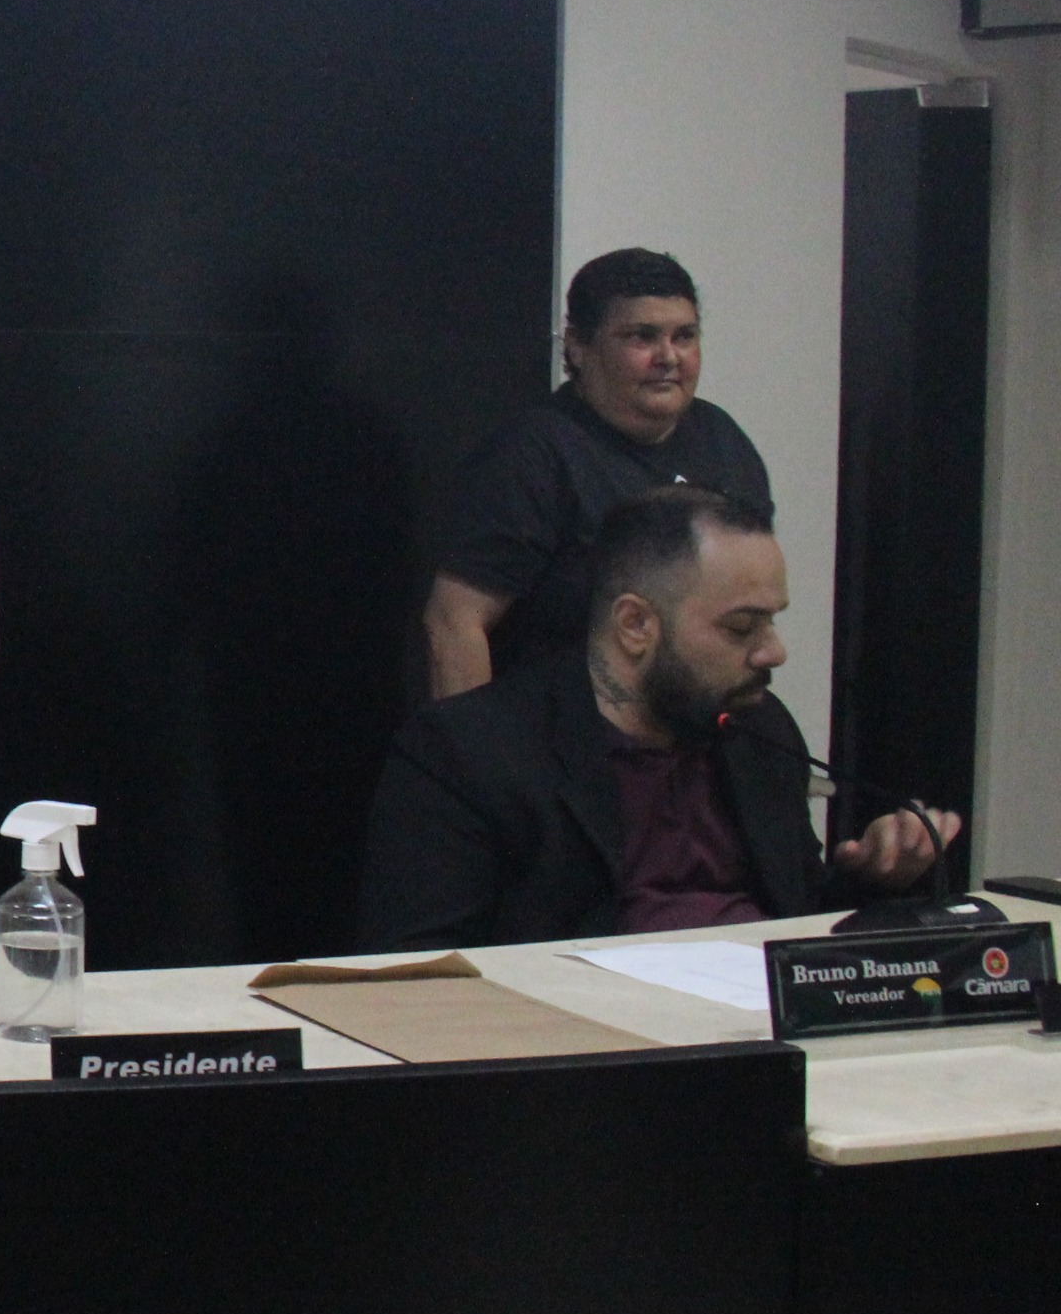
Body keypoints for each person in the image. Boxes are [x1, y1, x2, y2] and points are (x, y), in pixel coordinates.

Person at [359, 486, 953, 950]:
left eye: (773, 621)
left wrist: (874, 879)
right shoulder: (472, 751)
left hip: (762, 1029)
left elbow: (795, 917)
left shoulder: (758, 730)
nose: (774, 652)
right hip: (595, 1041)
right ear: (636, 625)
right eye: (742, 627)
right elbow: (416, 969)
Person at [425, 248, 772, 698]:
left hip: (696, 721)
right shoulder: (533, 454)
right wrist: (472, 743)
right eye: (642, 337)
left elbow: (752, 604)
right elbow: (455, 622)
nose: (669, 357)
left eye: (684, 336)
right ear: (578, 347)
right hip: (558, 724)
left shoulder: (724, 441)